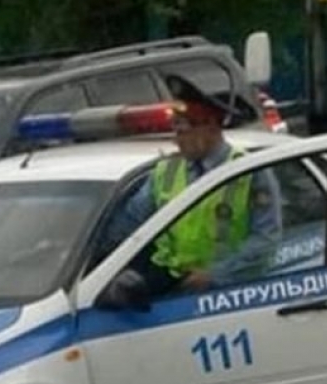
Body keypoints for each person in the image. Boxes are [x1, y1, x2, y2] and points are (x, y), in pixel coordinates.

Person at [103, 73, 282, 296]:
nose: (177, 140)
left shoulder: (249, 171)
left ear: (209, 127)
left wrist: (215, 275)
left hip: (229, 294)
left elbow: (266, 239)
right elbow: (128, 224)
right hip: (173, 287)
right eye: (175, 130)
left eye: (183, 131)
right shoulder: (165, 171)